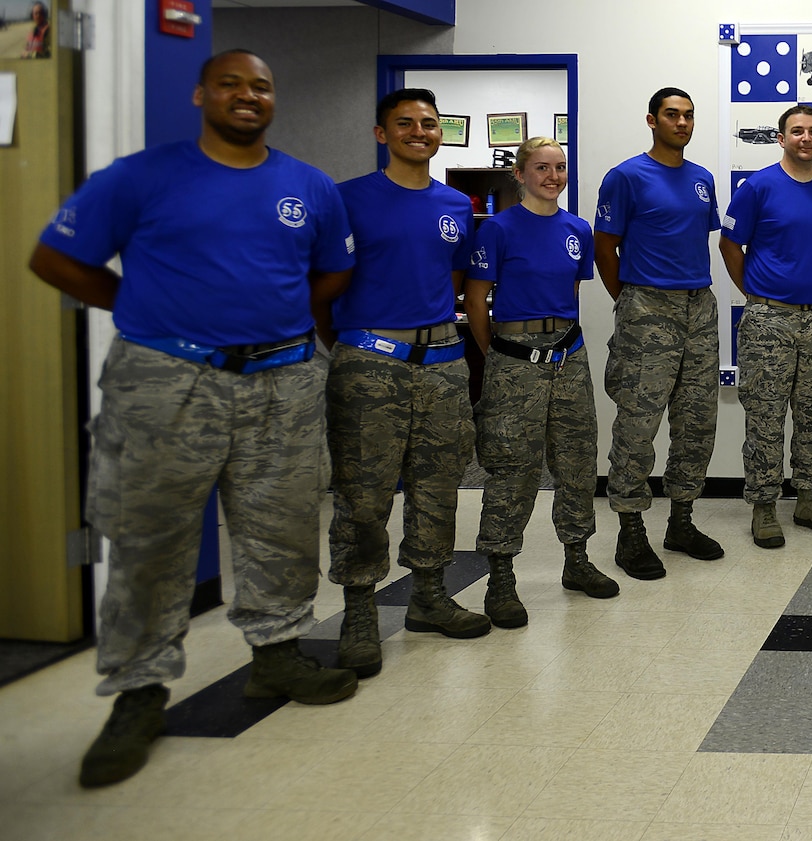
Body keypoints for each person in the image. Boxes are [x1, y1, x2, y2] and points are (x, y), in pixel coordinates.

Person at [28, 49, 359, 788]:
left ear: (275, 99)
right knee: (151, 533)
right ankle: (138, 690)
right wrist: (140, 310)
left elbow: (333, 272)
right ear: (202, 93)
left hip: (282, 381)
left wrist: (283, 326)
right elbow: (56, 257)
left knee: (281, 522)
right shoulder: (142, 176)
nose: (247, 96)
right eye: (232, 84)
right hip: (166, 382)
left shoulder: (306, 185)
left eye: (261, 86)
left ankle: (276, 655)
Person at [318, 88, 490, 679]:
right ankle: (360, 610)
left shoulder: (456, 205)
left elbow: (456, 277)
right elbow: (322, 286)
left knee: (438, 486)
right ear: (380, 133)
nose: (419, 131)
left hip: (442, 364)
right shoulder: (347, 200)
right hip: (371, 365)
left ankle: (429, 595)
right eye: (406, 123)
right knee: (363, 495)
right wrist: (351, 345)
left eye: (429, 123)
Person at [465, 136, 619, 621]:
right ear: (520, 173)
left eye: (560, 168)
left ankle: (577, 560)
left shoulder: (577, 229)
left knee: (576, 462)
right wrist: (501, 356)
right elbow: (476, 301)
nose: (552, 177)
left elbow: (570, 290)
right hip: (514, 360)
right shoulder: (498, 229)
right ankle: (501, 577)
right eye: (541, 168)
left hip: (569, 357)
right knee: (514, 469)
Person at [595, 86, 726, 576]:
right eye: (672, 115)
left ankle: (682, 521)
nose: (682, 123)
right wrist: (630, 300)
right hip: (648, 305)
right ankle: (630, 531)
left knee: (696, 420)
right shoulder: (627, 176)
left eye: (689, 115)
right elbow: (604, 245)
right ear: (652, 120)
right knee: (638, 422)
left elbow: (698, 238)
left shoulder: (701, 179)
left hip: (699, 306)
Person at [718, 104, 812, 549]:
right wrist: (758, 292)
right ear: (781, 138)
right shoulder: (758, 187)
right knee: (766, 416)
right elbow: (729, 243)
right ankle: (763, 507)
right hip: (768, 319)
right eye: (797, 131)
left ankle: (809, 499)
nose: (806, 138)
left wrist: (808, 285)